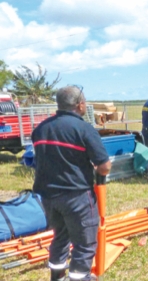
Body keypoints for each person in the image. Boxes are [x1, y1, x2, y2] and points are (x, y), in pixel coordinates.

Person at [32, 86, 111, 281]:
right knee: (85, 243)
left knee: (60, 236)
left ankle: (57, 276)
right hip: (76, 195)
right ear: (80, 105)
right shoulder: (84, 129)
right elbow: (105, 166)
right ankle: (80, 277)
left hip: (48, 196)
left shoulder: (41, 128)